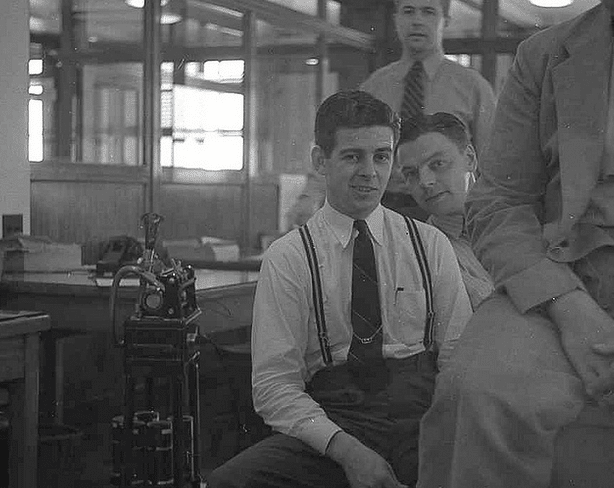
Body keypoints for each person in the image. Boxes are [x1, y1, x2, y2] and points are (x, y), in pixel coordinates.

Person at [418, 0, 614, 487]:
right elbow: (498, 202)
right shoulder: (542, 56)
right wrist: (567, 307)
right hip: (569, 281)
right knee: (477, 389)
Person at [207, 90, 472, 488]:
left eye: (381, 156)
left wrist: (441, 440)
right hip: (336, 424)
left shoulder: (428, 244)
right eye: (353, 156)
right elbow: (274, 385)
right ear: (320, 161)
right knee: (232, 483)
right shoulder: (290, 257)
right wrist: (348, 452)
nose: (370, 172)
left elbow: (458, 357)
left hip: (422, 419)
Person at [360, 0, 496, 220]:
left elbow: (492, 164)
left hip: (449, 211)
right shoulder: (374, 87)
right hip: (383, 208)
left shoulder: (472, 86)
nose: (417, 21)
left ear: (446, 21)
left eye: (428, 12)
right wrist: (310, 197)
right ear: (396, 19)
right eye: (408, 11)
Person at [396, 112, 494, 310]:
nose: (425, 182)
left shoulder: (524, 217)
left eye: (437, 164)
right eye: (411, 174)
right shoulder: (422, 255)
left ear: (470, 158)